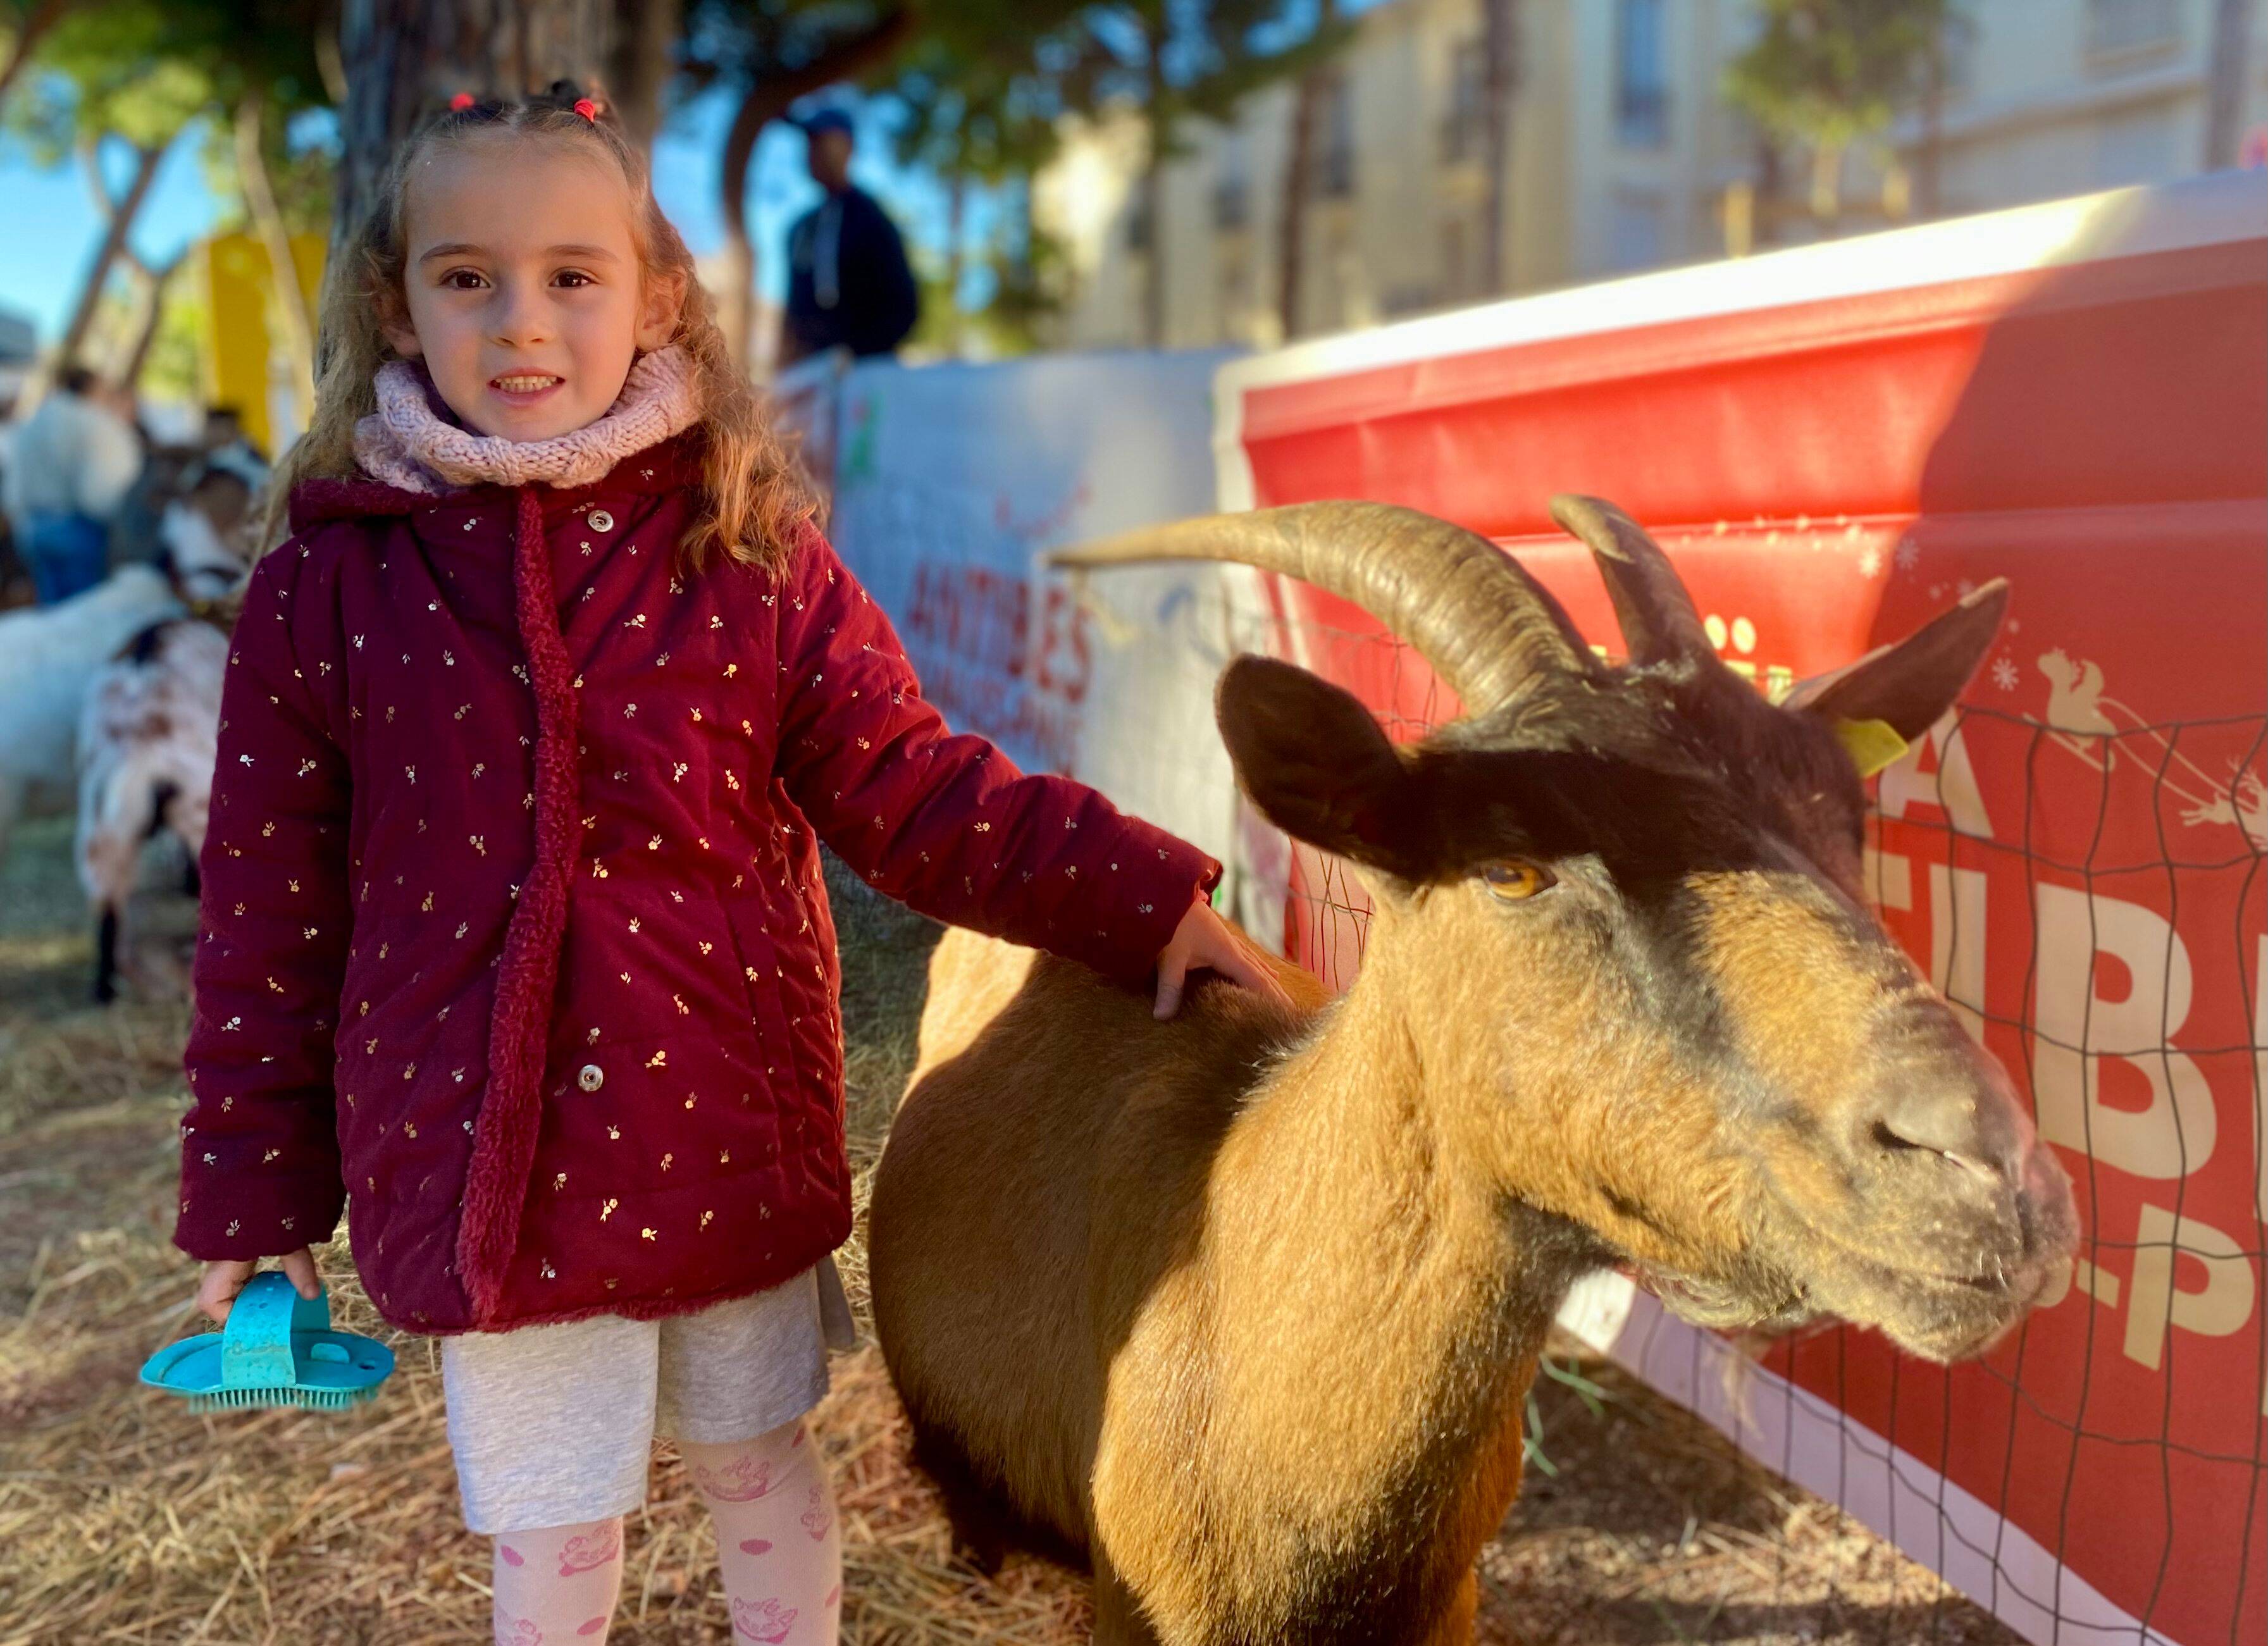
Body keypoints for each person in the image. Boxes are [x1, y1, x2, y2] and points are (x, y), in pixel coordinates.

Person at [175, 83, 1282, 1646]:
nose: (523, 322)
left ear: (658, 294)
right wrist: (250, 1190)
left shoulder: (746, 551)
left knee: (760, 1469)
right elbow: (268, 922)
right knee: (551, 1537)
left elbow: (913, 782)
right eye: (466, 275)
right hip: (485, 1168)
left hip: (718, 1129)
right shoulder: (324, 591)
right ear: (394, 298)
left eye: (574, 274)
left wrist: (1133, 892)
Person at [778, 109, 919, 367]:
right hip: (808, 379)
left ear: (848, 148)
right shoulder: (800, 229)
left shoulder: (870, 220)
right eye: (810, 144)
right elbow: (793, 312)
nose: (813, 153)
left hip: (864, 378)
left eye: (823, 142)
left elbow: (904, 307)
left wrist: (856, 351)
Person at [2, 364, 142, 603]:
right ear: (94, 389)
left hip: (33, 526)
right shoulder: (95, 423)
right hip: (77, 528)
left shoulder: (35, 421)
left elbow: (15, 480)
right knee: (83, 612)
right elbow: (102, 490)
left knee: (53, 609)